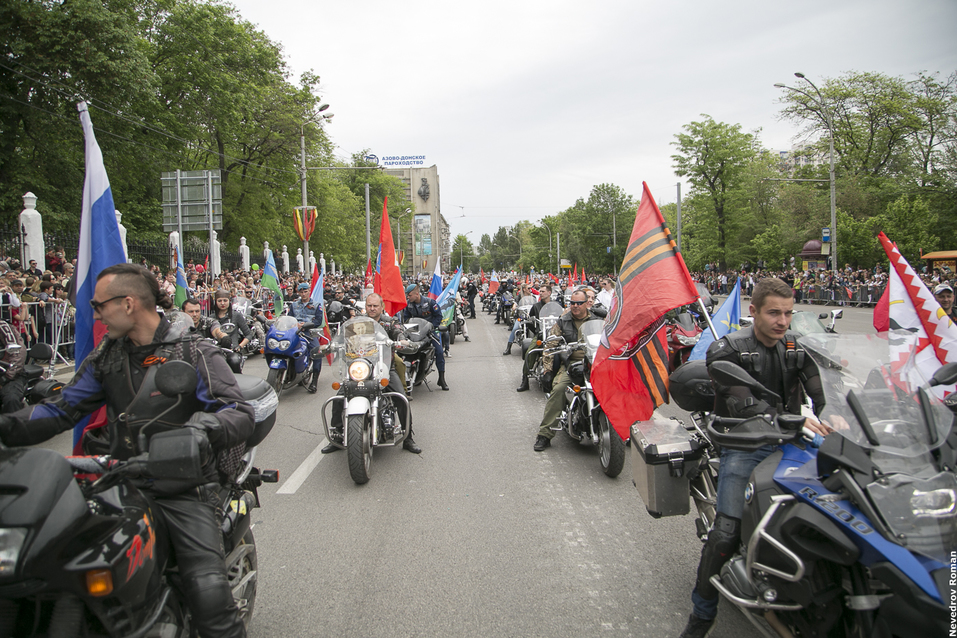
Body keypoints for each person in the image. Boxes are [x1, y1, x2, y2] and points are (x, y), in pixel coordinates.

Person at [0, 263, 254, 637]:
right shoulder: (109, 356)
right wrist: (7, 426)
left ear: (129, 303)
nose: (95, 312)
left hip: (181, 486)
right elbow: (62, 409)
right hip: (117, 479)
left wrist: (201, 431)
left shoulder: (192, 350)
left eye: (99, 304)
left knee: (209, 596)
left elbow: (238, 412)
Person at [679, 277, 830, 638]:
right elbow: (745, 404)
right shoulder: (727, 350)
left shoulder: (795, 346)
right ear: (754, 311)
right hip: (745, 443)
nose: (782, 321)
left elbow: (820, 388)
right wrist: (796, 418)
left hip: (795, 440)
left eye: (788, 313)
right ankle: (702, 614)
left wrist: (833, 412)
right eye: (774, 312)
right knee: (726, 532)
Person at [323, 293, 421, 454]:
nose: (372, 309)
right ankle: (338, 435)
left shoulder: (389, 322)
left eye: (375, 306)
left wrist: (401, 340)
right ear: (365, 306)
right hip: (360, 367)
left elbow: (398, 332)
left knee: (400, 397)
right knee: (340, 396)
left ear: (381, 307)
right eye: (369, 305)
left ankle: (408, 436)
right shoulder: (358, 322)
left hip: (383, 367)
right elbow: (343, 337)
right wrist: (333, 344)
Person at [533, 290, 598, 451]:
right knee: (559, 390)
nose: (575, 306)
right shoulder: (563, 321)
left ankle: (623, 429)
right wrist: (547, 370)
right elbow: (550, 346)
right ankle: (545, 434)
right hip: (572, 364)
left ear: (586, 303)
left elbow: (609, 340)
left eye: (579, 303)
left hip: (595, 364)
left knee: (618, 388)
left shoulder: (597, 320)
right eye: (572, 303)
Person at [402, 283, 449, 390]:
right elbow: (406, 319)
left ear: (416, 294)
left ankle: (441, 379)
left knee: (439, 352)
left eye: (409, 295)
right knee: (406, 349)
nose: (408, 297)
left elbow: (438, 316)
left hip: (430, 331)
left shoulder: (430, 302)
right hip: (415, 332)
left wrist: (433, 327)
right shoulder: (408, 305)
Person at [515, 285, 554, 391]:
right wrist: (537, 331)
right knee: (530, 352)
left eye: (543, 291)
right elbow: (529, 321)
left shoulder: (555, 305)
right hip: (542, 335)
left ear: (549, 293)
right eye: (540, 291)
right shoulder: (536, 306)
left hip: (555, 335)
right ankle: (525, 380)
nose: (540, 293)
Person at [287, 283, 323, 393]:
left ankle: (314, 381)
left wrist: (306, 324)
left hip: (309, 332)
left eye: (305, 291)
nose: (303, 294)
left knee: (317, 352)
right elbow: (289, 318)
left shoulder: (317, 305)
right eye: (301, 292)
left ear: (309, 291)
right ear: (298, 293)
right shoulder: (294, 305)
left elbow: (318, 321)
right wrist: (294, 324)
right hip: (295, 331)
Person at [504, 285, 551, 356]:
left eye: (530, 288)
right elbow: (515, 305)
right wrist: (514, 306)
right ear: (524, 289)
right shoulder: (519, 297)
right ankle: (508, 347)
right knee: (515, 329)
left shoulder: (533, 298)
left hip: (547, 328)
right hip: (522, 316)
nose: (530, 290)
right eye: (528, 288)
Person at [0, 318, 25, 413]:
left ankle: (13, 426)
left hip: (8, 373)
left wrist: (7, 377)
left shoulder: (3, 327)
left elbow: (18, 353)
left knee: (11, 399)